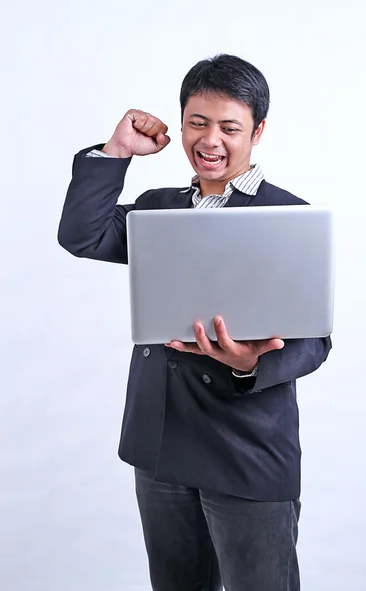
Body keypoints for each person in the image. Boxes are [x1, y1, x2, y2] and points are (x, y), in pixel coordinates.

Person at [58, 54, 332, 591]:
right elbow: (81, 236)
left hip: (247, 450)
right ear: (181, 122)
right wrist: (117, 152)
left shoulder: (288, 216)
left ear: (258, 132)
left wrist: (252, 363)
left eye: (229, 127)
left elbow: (315, 341)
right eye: (197, 123)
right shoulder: (157, 211)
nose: (210, 140)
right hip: (161, 445)